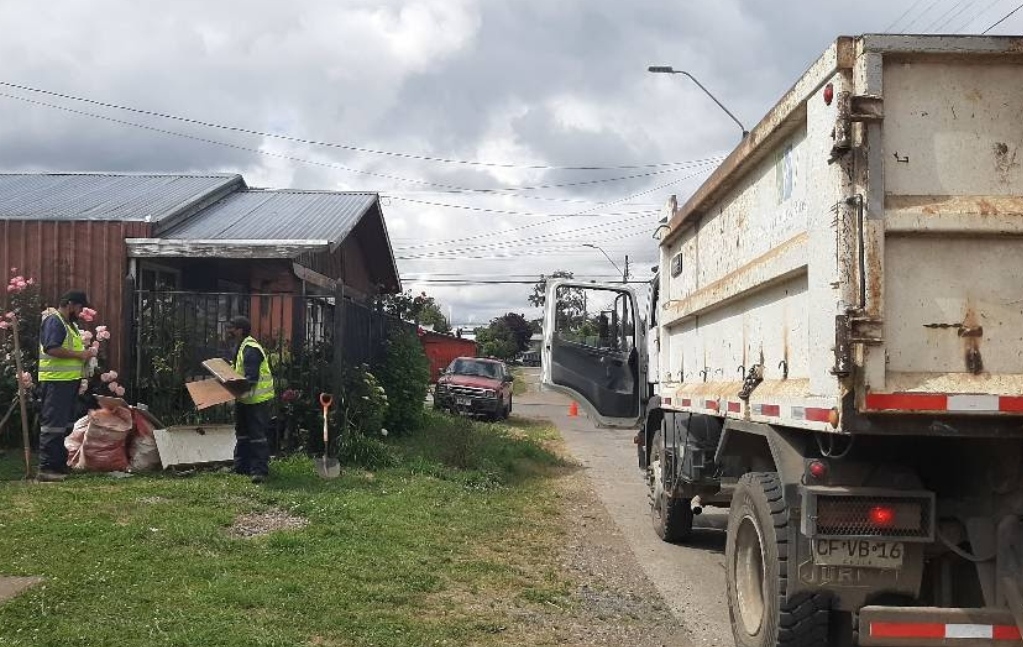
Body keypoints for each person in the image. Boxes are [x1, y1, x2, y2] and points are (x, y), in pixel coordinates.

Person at [36, 290, 97, 482]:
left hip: (67, 382)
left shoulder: (68, 325)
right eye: (79, 307)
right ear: (70, 304)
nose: (80, 312)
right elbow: (52, 348)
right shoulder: (55, 321)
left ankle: (59, 464)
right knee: (52, 426)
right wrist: (81, 355)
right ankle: (47, 468)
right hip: (56, 382)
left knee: (63, 425)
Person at [225, 315, 274, 483]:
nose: (228, 331)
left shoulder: (251, 348)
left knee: (257, 436)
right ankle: (241, 467)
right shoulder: (241, 346)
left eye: (231, 328)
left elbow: (251, 378)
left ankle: (259, 471)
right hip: (244, 399)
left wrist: (233, 389)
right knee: (242, 435)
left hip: (256, 400)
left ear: (240, 330)